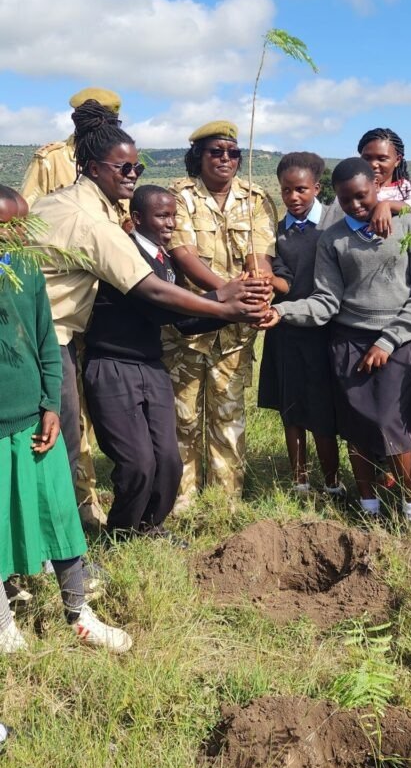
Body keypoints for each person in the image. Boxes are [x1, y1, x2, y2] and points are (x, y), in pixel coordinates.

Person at [32, 103, 266, 506]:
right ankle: (63, 550)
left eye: (136, 169)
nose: (132, 175)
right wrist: (225, 306)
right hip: (48, 339)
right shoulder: (90, 221)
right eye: (123, 168)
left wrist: (221, 297)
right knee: (60, 442)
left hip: (57, 337)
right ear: (91, 168)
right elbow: (152, 290)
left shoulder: (75, 204)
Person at [262, 157, 411, 529]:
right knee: (355, 422)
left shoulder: (406, 224)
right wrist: (282, 313)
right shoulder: (334, 238)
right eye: (347, 200)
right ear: (336, 197)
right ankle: (368, 507)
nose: (357, 206)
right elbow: (327, 301)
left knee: (391, 422)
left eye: (363, 196)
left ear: (376, 186)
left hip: (400, 339)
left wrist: (388, 341)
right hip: (349, 340)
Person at [0, 185, 132, 653]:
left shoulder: (28, 270)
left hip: (34, 420)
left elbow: (46, 342)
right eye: (5, 229)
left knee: (59, 514)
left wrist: (52, 405)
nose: (15, 239)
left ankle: (78, 612)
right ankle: (3, 624)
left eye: (21, 227)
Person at [83, 185, 229, 537]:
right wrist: (223, 298)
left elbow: (182, 320)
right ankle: (120, 532)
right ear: (136, 218)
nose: (170, 223)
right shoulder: (126, 255)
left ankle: (150, 528)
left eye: (173, 216)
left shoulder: (163, 262)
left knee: (168, 461)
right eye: (162, 216)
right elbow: (155, 306)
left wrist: (234, 313)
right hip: (112, 366)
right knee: (137, 463)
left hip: (151, 366)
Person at [21, 86, 122, 533]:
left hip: (97, 301)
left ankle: (84, 500)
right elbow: (23, 220)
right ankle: (75, 507)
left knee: (94, 404)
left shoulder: (120, 159)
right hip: (59, 304)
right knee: (62, 410)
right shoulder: (51, 161)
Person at [164, 120, 276, 513]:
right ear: (199, 156)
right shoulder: (179, 197)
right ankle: (181, 501)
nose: (225, 159)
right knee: (183, 419)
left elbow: (260, 256)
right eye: (216, 152)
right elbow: (183, 256)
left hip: (234, 333)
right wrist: (226, 293)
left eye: (232, 152)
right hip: (187, 329)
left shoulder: (255, 198)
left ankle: (226, 503)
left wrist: (257, 287)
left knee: (229, 419)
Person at [257, 152, 344, 497]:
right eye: (286, 190)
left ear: (317, 188)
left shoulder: (335, 225)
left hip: (325, 330)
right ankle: (299, 481)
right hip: (285, 329)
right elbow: (284, 282)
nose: (293, 197)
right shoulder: (277, 234)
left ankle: (333, 483)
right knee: (290, 407)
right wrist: (265, 280)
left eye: (301, 190)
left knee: (322, 410)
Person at [357, 128, 411, 242]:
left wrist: (387, 205)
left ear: (397, 160)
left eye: (382, 159)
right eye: (367, 158)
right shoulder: (350, 192)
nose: (374, 164)